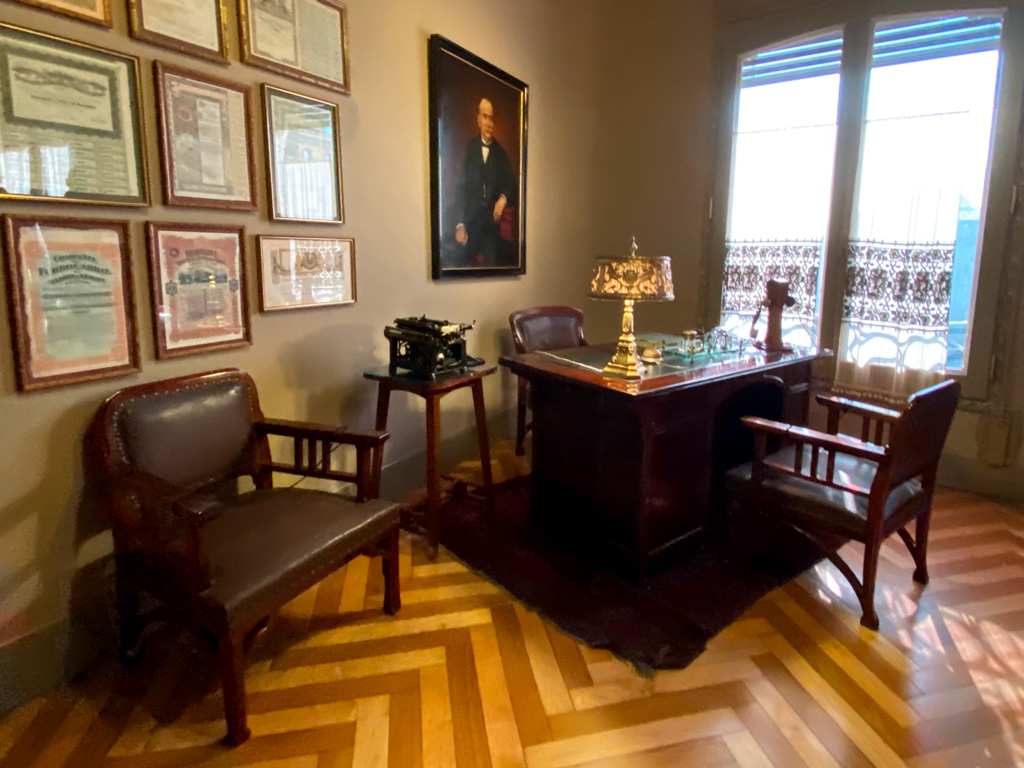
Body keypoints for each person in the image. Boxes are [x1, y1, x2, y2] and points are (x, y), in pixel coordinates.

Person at [453, 98, 517, 266]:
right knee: (454, 260)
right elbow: (460, 190)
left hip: (490, 227)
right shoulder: (470, 148)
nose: (489, 122)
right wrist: (460, 225)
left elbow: (512, 185)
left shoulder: (500, 153)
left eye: (491, 118)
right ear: (478, 120)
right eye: (485, 117)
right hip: (470, 225)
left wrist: (503, 199)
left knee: (493, 262)